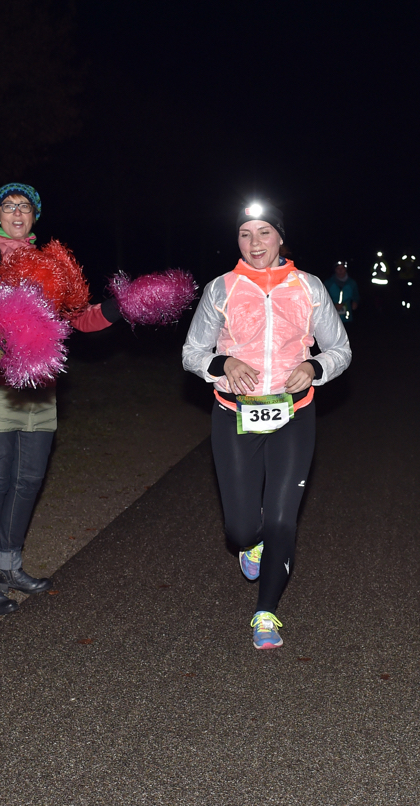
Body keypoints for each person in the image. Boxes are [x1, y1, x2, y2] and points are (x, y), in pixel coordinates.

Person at [182, 201, 351, 649]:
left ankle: (266, 612)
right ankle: (249, 543)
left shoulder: (310, 287)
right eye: (245, 235)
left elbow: (341, 349)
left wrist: (315, 368)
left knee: (281, 519)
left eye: (264, 233)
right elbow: (192, 353)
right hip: (235, 414)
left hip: (294, 413)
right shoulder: (220, 289)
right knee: (240, 529)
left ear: (280, 237)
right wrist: (221, 362)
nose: (255, 244)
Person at [0, 183, 123, 615]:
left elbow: (78, 317)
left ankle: (9, 565)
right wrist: (29, 281)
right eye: (10, 206)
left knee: (29, 477)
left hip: (40, 387)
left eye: (26, 207)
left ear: (35, 217)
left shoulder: (52, 262)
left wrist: (118, 305)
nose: (18, 213)